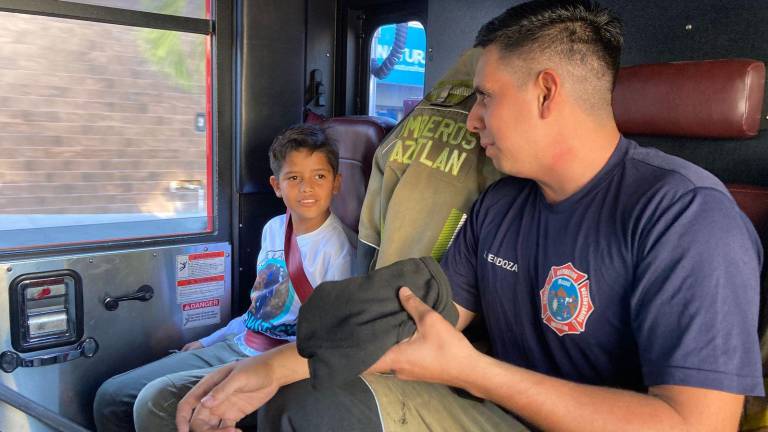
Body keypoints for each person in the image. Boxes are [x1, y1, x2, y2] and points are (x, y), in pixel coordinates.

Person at [175, 1, 764, 431]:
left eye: (484, 97)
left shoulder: (685, 216)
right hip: (494, 410)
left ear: (546, 93)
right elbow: (420, 320)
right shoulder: (502, 204)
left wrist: (478, 372)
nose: (472, 120)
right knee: (304, 399)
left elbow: (694, 425)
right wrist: (278, 367)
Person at [92, 124, 354, 432]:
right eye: (294, 177)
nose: (307, 187)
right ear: (276, 185)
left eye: (319, 176)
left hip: (275, 364)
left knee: (155, 403)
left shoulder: (339, 250)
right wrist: (208, 340)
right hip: (240, 343)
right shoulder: (274, 229)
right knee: (111, 396)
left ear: (336, 183)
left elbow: (329, 342)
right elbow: (261, 311)